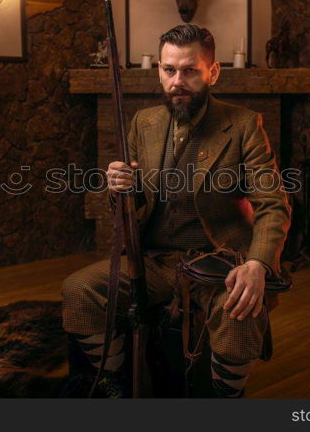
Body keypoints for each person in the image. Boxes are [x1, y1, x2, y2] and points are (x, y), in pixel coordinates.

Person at [60, 24, 291, 398]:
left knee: (240, 314)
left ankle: (224, 398)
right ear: (160, 70)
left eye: (190, 71)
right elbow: (130, 207)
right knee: (80, 289)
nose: (177, 81)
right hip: (152, 260)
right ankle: (114, 384)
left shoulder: (244, 124)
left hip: (221, 261)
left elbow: (273, 203)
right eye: (169, 70)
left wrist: (258, 264)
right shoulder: (143, 122)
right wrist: (120, 189)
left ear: (212, 72)